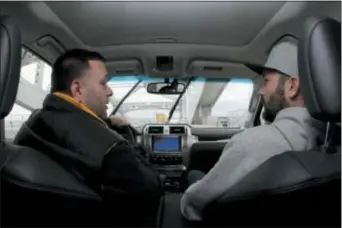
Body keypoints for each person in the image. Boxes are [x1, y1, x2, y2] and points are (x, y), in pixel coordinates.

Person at [180, 39, 327, 221]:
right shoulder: (332, 144)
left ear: (292, 86)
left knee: (194, 175)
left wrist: (187, 197)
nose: (261, 91)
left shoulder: (250, 143)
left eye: (266, 81)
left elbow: (194, 204)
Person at [14, 49, 163, 199]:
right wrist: (131, 145)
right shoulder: (112, 150)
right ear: (78, 89)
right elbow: (152, 186)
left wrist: (107, 123)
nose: (110, 91)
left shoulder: (36, 121)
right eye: (103, 83)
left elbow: (76, 133)